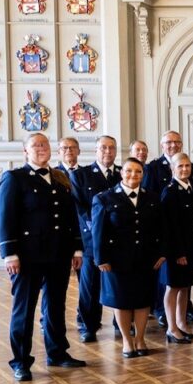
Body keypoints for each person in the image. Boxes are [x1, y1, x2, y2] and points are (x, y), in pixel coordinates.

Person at [0, 133, 86, 381]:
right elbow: (5, 217)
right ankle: (21, 361)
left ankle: (57, 353)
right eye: (35, 145)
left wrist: (76, 249)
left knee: (56, 306)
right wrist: (9, 254)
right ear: (25, 151)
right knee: (24, 310)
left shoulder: (59, 177)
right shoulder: (14, 178)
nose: (41, 148)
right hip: (28, 256)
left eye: (45, 144)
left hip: (59, 253)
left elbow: (71, 217)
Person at [91, 158, 166, 358]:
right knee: (121, 300)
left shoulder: (152, 197)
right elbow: (98, 232)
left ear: (143, 174)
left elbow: (161, 228)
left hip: (146, 258)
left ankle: (140, 339)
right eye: (129, 171)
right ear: (121, 173)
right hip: (116, 261)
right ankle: (126, 340)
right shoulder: (104, 198)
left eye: (138, 171)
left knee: (143, 300)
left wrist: (161, 253)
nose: (134, 175)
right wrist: (100, 258)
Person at [70, 135, 121, 342]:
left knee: (119, 283)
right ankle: (88, 326)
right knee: (90, 286)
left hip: (118, 240)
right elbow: (79, 208)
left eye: (112, 148)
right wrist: (98, 227)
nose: (108, 151)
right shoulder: (80, 175)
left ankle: (121, 323)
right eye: (103, 148)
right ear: (95, 150)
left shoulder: (123, 173)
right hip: (92, 240)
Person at [160, 153, 193, 344]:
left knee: (185, 287)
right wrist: (178, 253)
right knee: (173, 287)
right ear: (172, 169)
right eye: (180, 166)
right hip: (177, 251)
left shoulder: (191, 188)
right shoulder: (170, 192)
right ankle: (171, 328)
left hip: (190, 248)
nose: (185, 169)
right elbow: (169, 226)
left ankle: (182, 324)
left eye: (187, 166)